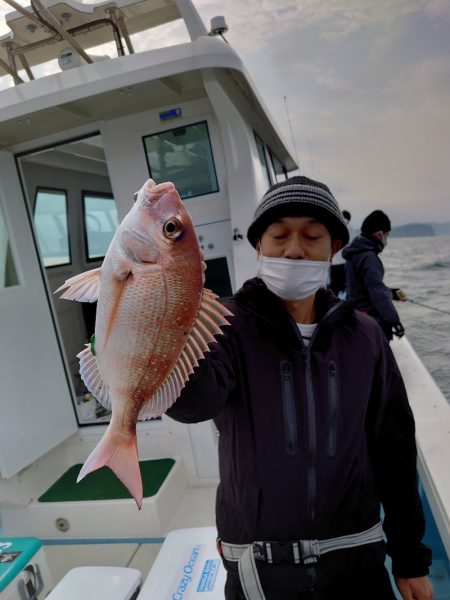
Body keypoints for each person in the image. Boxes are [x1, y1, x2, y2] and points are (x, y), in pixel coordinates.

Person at [166, 176, 433, 600]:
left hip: (356, 560)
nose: (293, 249)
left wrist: (410, 558)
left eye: (311, 236)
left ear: (333, 249)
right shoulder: (222, 326)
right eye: (279, 235)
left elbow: (394, 448)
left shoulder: (365, 336)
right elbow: (190, 404)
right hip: (258, 569)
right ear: (259, 246)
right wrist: (147, 336)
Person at [342, 210, 407, 341]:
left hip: (356, 318)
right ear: (379, 234)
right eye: (387, 235)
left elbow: (364, 288)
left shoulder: (355, 254)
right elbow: (377, 292)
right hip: (369, 322)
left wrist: (392, 293)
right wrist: (394, 321)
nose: (386, 240)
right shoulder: (369, 258)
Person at [329, 209, 354, 297]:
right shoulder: (351, 227)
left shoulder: (336, 225)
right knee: (344, 285)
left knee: (334, 285)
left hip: (334, 260)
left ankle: (333, 303)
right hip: (345, 261)